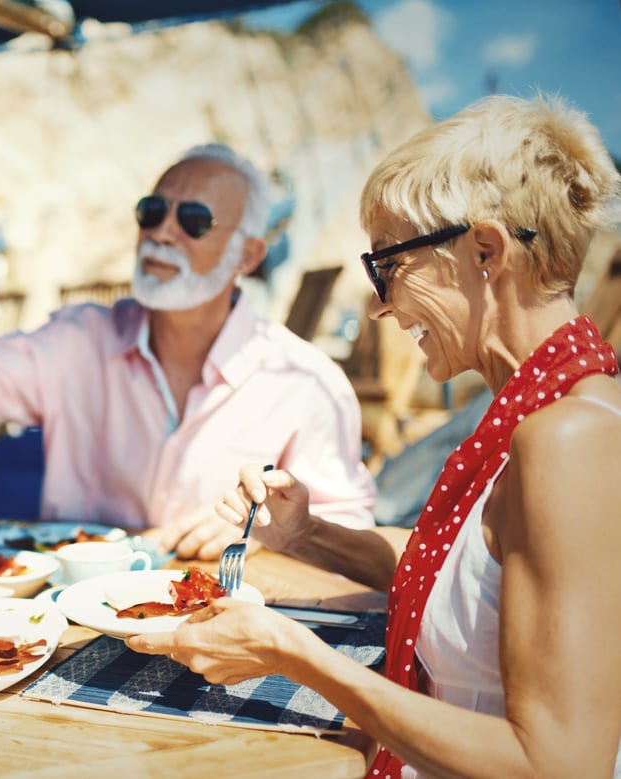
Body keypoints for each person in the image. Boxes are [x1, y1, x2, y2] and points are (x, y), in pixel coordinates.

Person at [128, 95, 621, 778]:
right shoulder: (541, 405)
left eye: (386, 263)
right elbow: (460, 584)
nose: (379, 303)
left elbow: (557, 764)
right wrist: (304, 534)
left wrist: (292, 653)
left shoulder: (568, 438)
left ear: (484, 251)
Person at [0, 143, 377, 560]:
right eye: (152, 212)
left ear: (248, 256)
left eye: (194, 220)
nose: (162, 232)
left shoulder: (305, 383)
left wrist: (271, 539)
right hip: (66, 628)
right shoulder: (79, 342)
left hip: (223, 635)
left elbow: (356, 548)